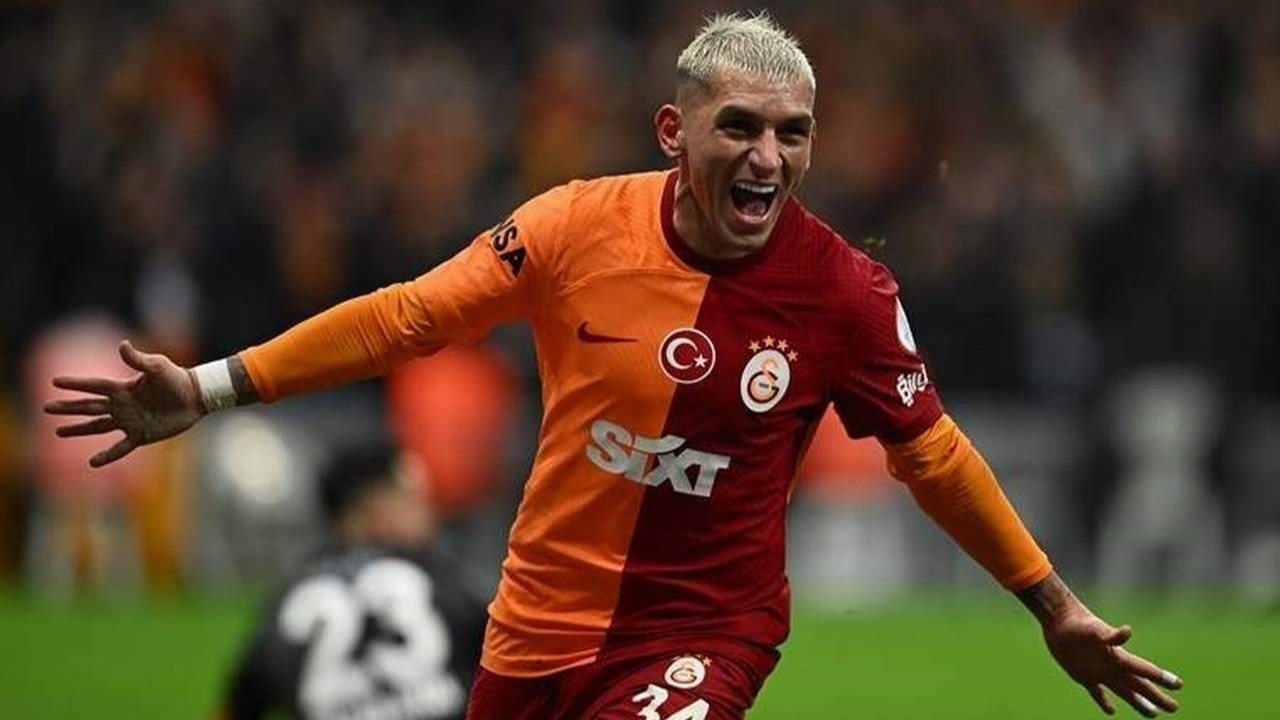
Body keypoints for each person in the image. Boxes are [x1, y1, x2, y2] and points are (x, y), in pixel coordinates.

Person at [46, 13, 1182, 720]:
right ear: (673, 133)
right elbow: (408, 318)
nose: (768, 156)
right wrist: (209, 386)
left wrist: (1052, 605)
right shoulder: (572, 228)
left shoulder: (844, 293)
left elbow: (931, 456)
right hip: (533, 626)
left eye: (792, 133)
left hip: (701, 637)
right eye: (739, 127)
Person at [220, 444, 487, 720]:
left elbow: (237, 704)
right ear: (378, 511)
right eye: (413, 498)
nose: (429, 511)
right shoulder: (438, 577)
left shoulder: (285, 600)